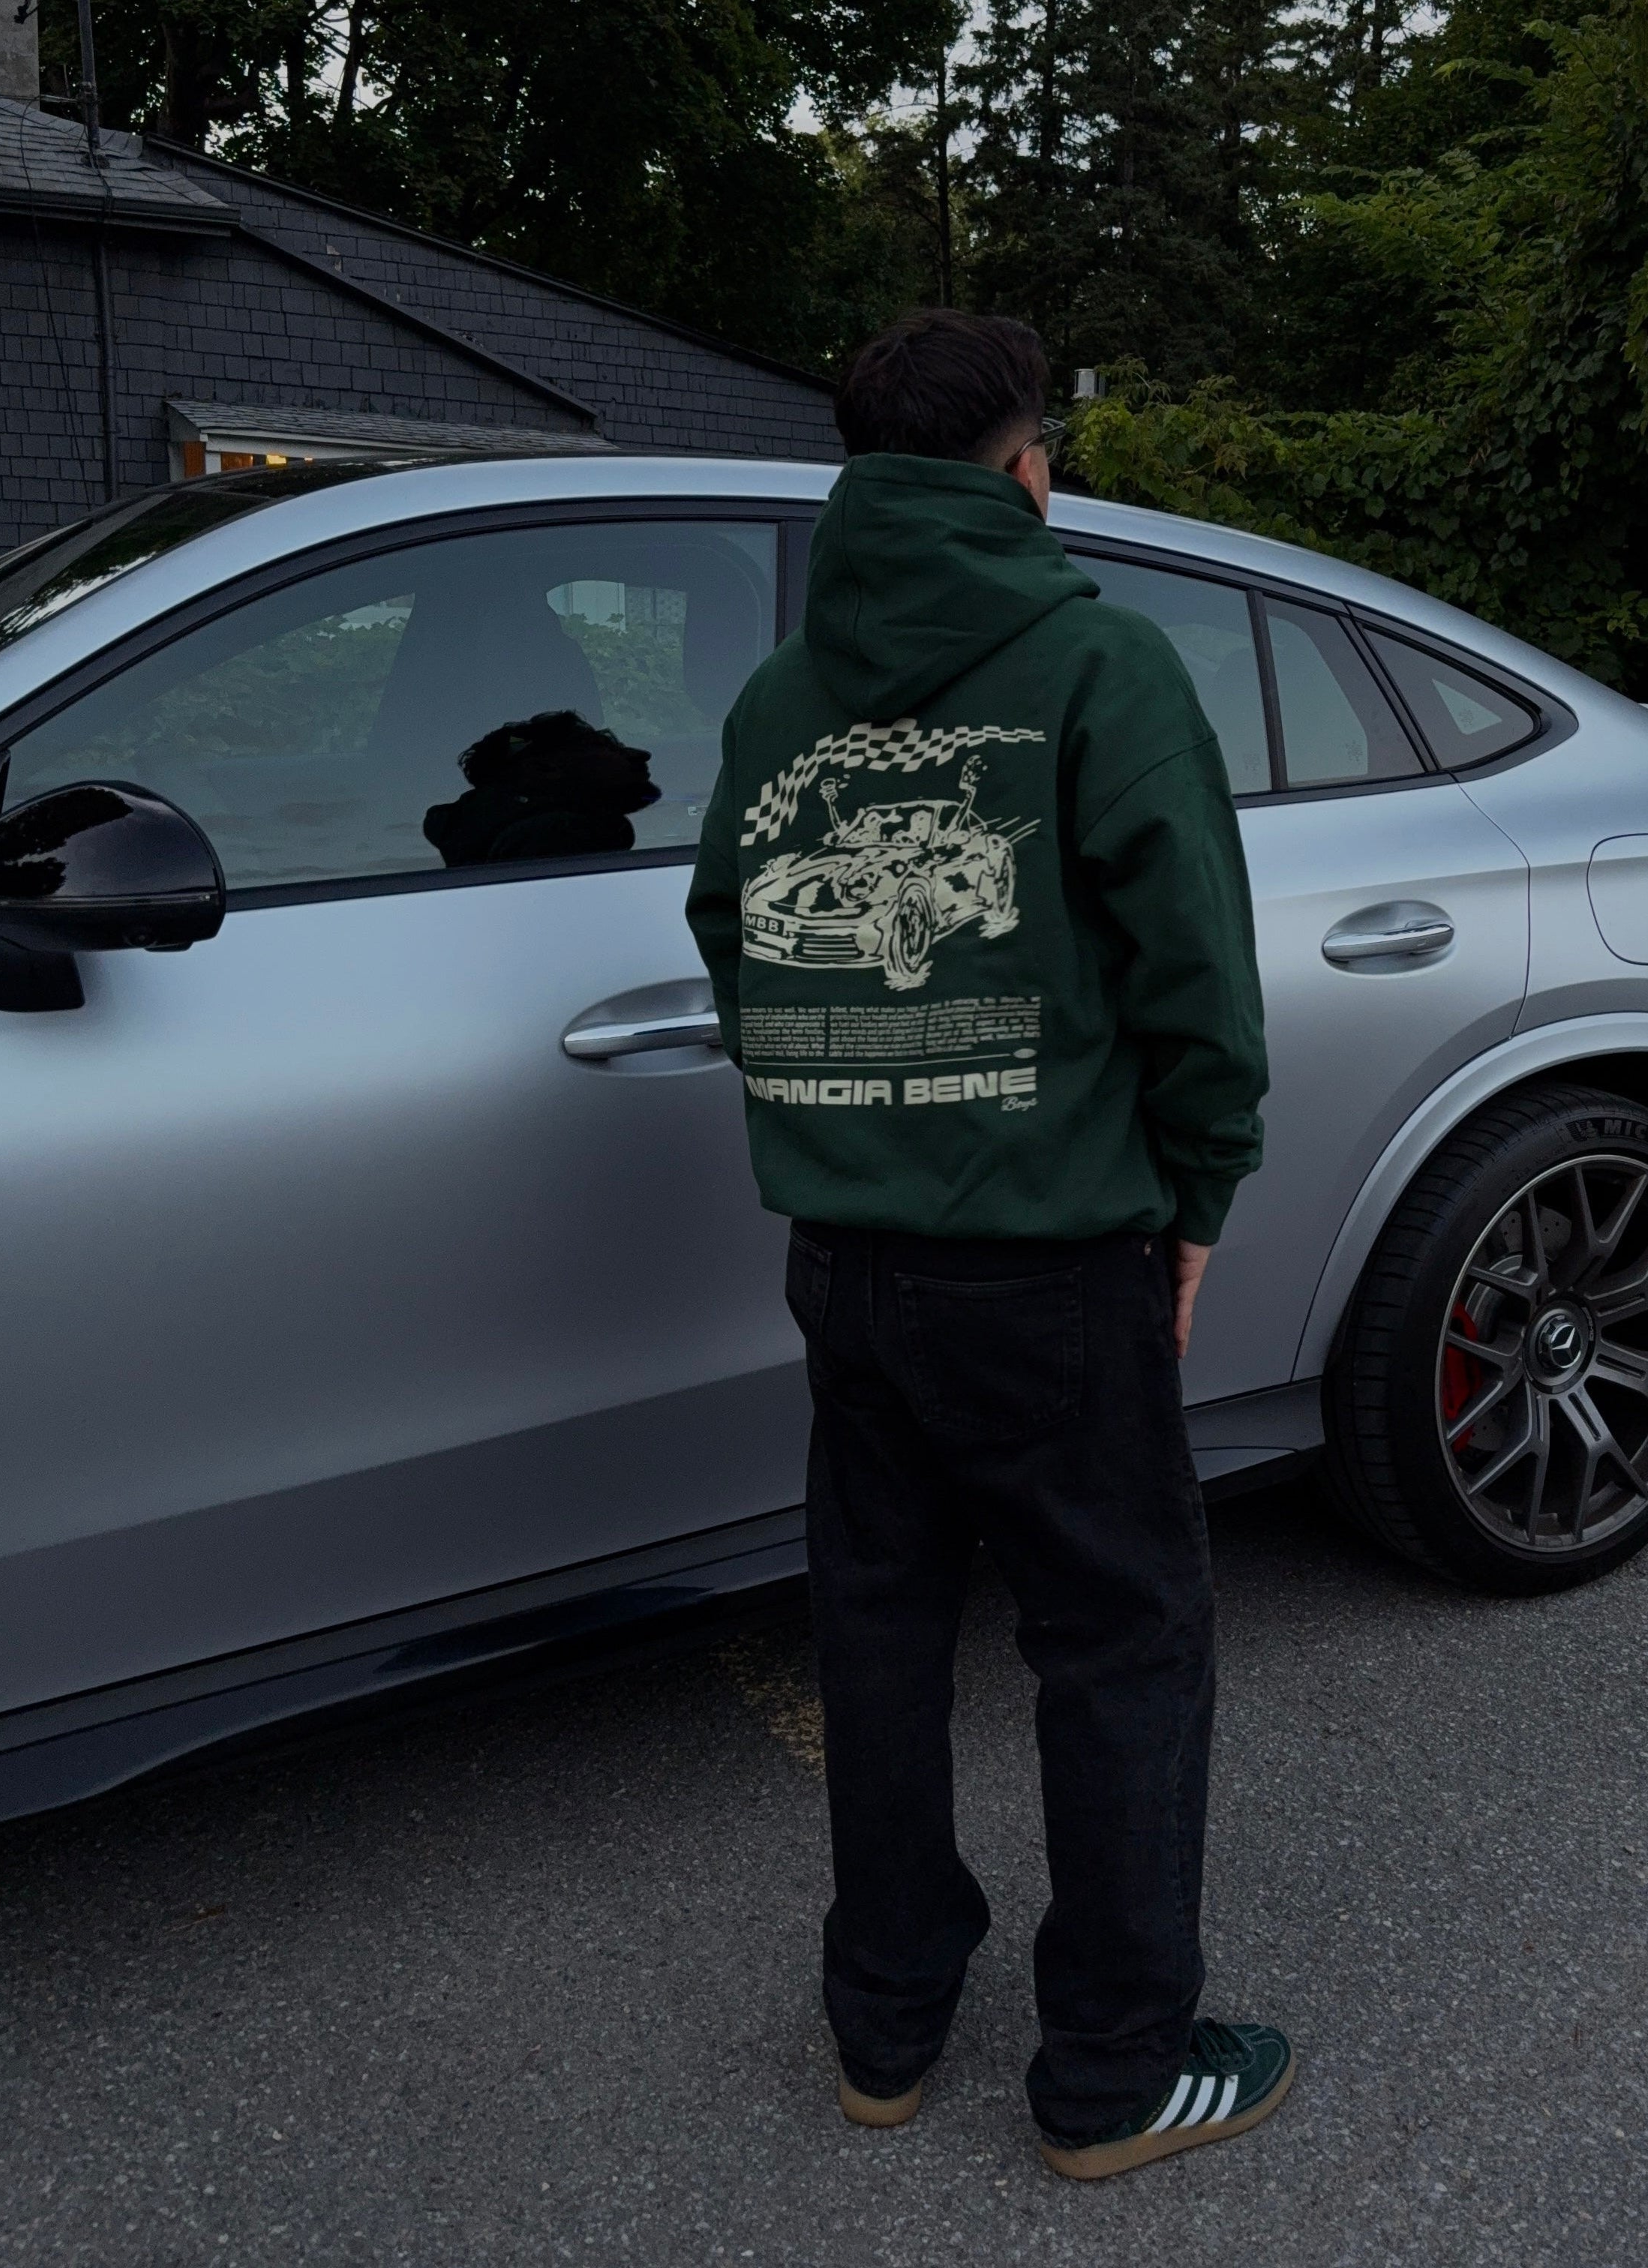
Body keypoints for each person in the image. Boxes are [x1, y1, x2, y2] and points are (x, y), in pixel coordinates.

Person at [686, 308, 1283, 2180]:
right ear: (1027, 467)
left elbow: (735, 926)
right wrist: (1198, 1191)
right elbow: (1193, 970)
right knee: (1119, 1642)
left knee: (876, 1634)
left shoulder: (782, 700)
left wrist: (858, 1112)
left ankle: (886, 2026)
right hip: (1050, 1270)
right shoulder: (1101, 666)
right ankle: (1113, 2072)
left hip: (847, 1270)